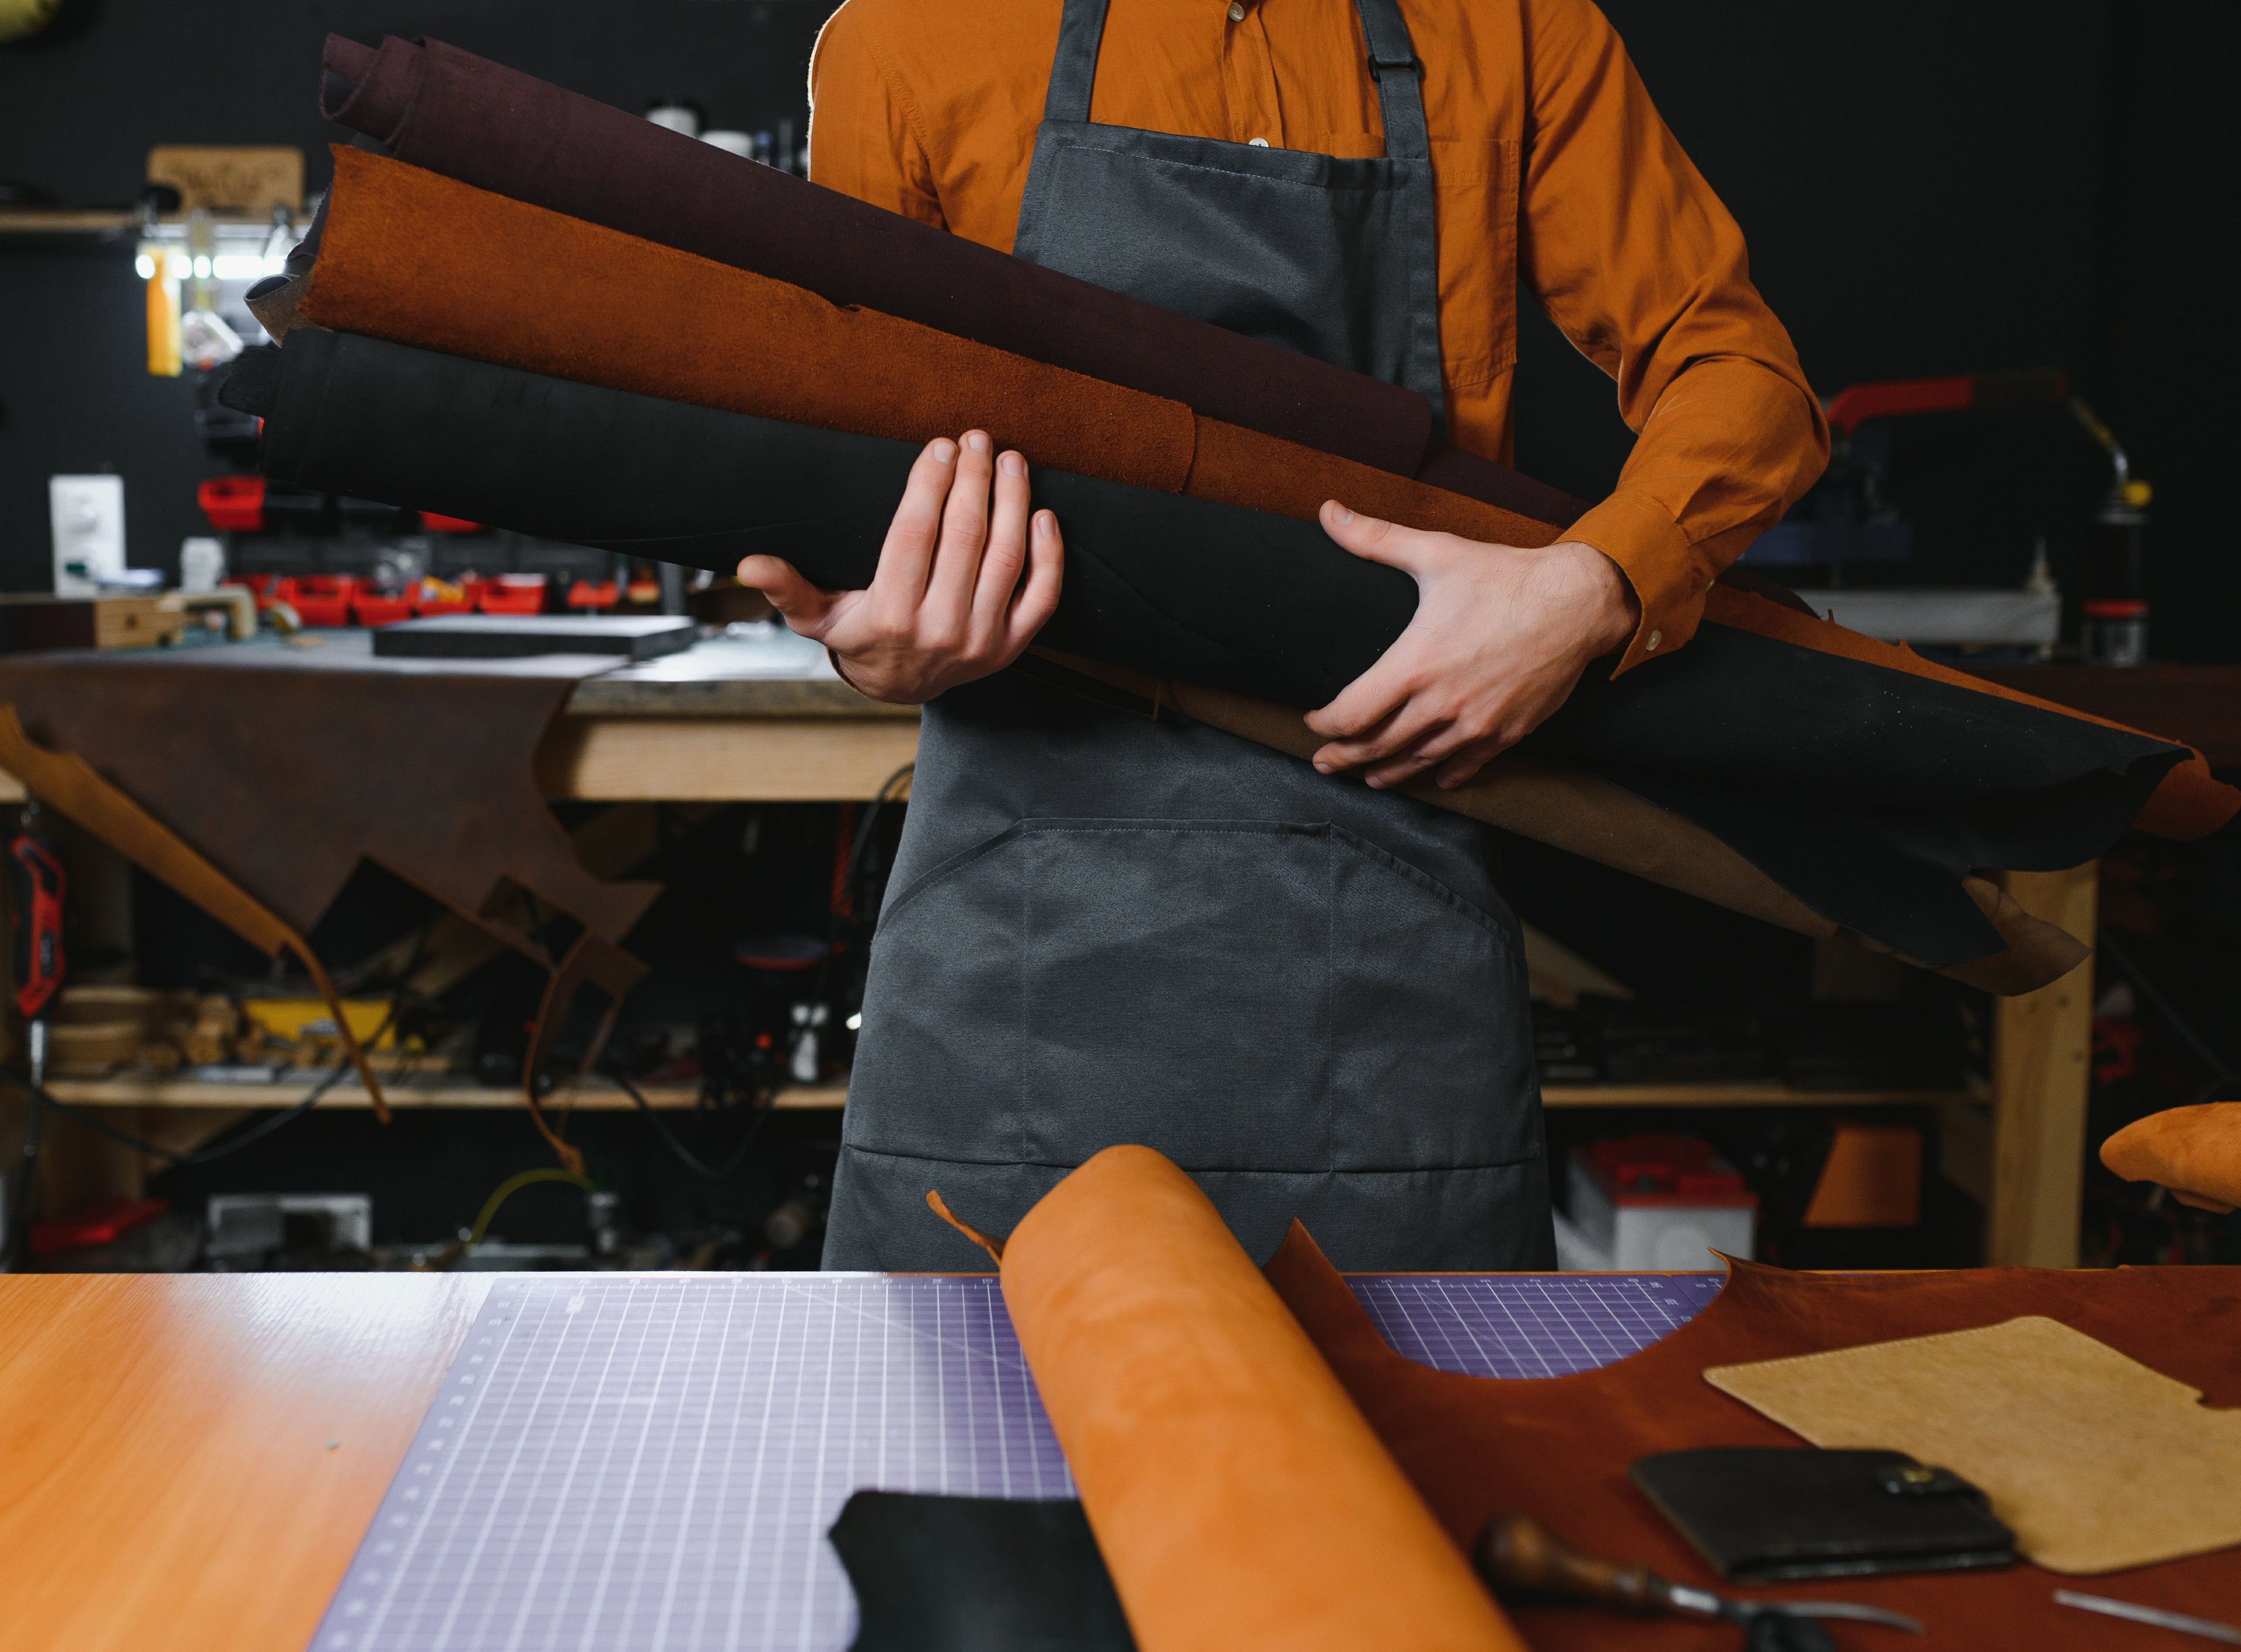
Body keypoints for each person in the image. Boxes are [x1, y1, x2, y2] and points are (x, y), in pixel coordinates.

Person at [739, 0, 1828, 1269]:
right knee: (975, 1450)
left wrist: (1596, 586)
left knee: (1420, 1453)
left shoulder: (1511, 26)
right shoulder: (912, 36)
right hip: (1020, 951)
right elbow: (850, 452)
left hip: (1389, 922)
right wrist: (872, 634)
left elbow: (1739, 368)